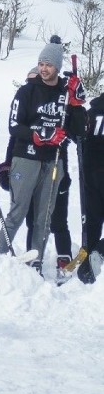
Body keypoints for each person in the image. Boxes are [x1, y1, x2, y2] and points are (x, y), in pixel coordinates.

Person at [0, 36, 87, 272]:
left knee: (44, 217)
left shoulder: (64, 95)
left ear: (57, 66)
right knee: (19, 210)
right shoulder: (27, 92)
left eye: (49, 64)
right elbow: (14, 125)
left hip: (52, 161)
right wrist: (40, 134)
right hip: (26, 158)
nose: (44, 69)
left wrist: (76, 104)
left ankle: (35, 261)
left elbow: (78, 131)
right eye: (41, 64)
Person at [77, 92, 104, 284]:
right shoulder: (91, 113)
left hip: (91, 174)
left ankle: (89, 259)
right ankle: (96, 254)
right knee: (93, 220)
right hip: (94, 172)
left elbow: (78, 135)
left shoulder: (91, 112)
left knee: (93, 221)